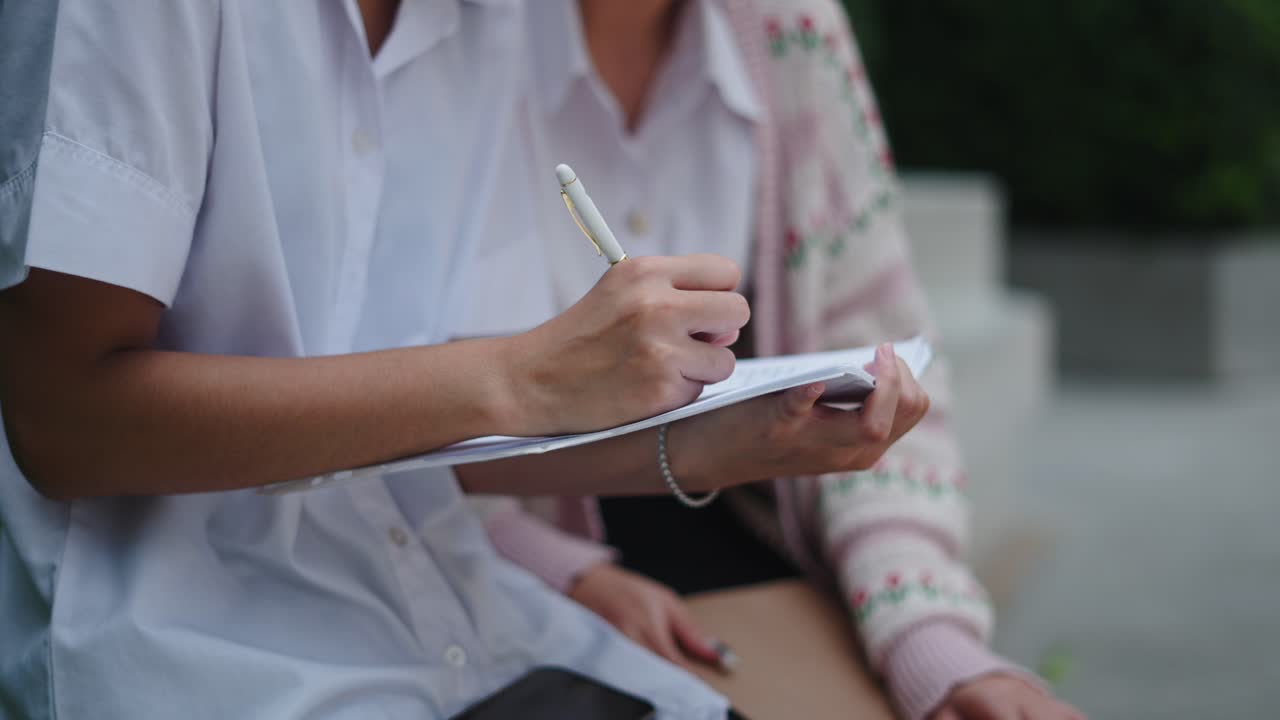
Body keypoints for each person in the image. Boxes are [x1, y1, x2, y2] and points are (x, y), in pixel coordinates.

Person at [0, 1, 932, 718]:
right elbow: (64, 421)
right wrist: (518, 373)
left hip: (462, 626)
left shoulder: (486, 22)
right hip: (194, 659)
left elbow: (453, 421)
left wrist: (714, 445)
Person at [465, 1, 1085, 718]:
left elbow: (881, 357)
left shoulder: (790, 31)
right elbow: (377, 395)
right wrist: (555, 571)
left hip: (745, 532)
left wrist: (933, 645)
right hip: (488, 564)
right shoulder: (456, 28)